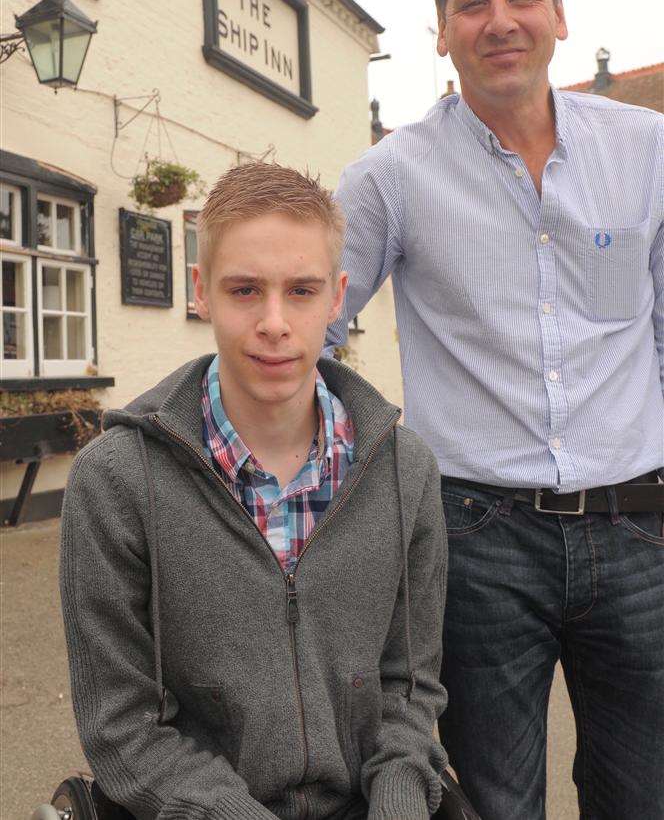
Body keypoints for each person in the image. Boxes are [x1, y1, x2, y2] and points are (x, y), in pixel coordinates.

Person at [327, 0, 664, 820]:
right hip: (476, 538)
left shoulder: (647, 152)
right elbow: (307, 324)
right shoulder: (390, 177)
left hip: (642, 531)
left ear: (559, 13)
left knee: (646, 793)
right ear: (441, 32)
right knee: (493, 801)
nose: (499, 19)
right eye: (471, 3)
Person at [60, 162, 449, 820]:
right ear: (201, 291)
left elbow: (409, 691)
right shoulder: (115, 482)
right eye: (244, 289)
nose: (274, 321)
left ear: (337, 297)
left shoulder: (404, 471)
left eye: (301, 290)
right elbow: (121, 725)